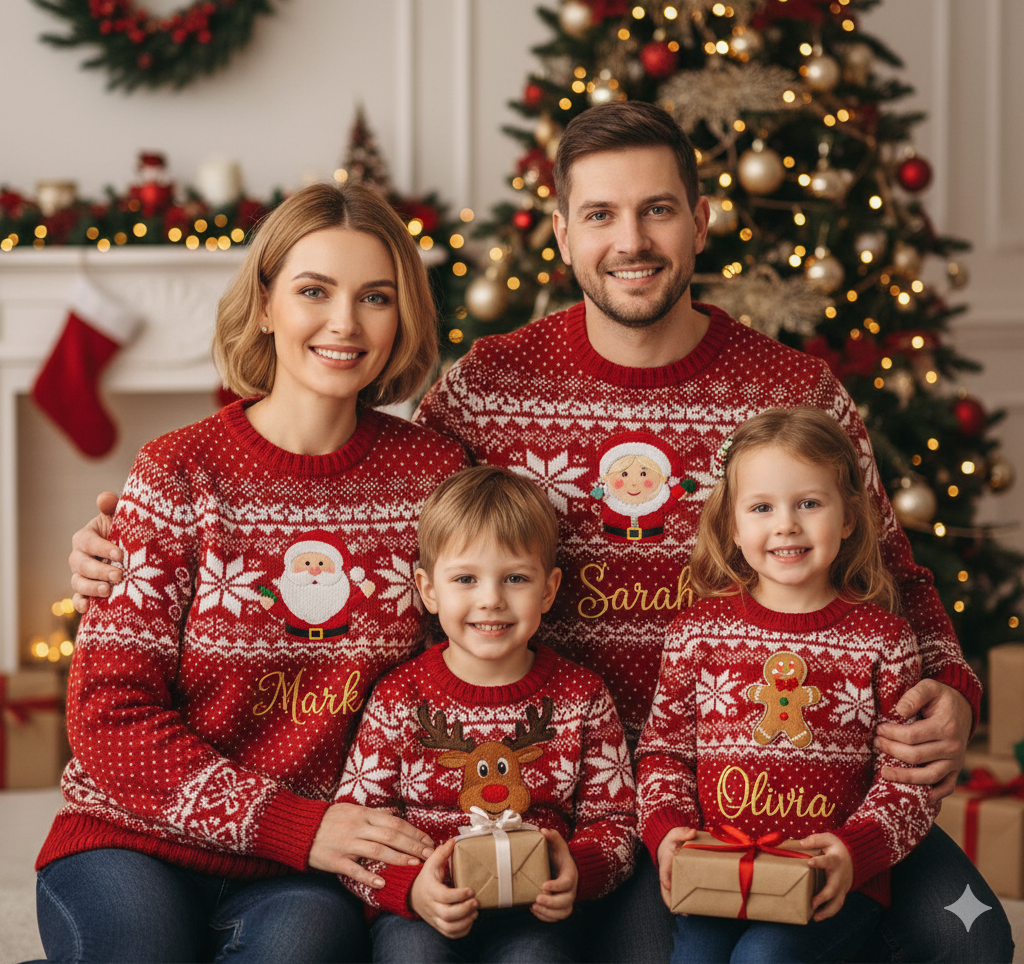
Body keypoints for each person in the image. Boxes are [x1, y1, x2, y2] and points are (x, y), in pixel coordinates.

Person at [68, 103, 1014, 962]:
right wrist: (125, 541)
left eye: (658, 211)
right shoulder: (485, 394)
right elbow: (364, 498)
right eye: (600, 215)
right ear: (562, 233)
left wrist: (956, 692)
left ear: (701, 221)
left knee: (970, 943)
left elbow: (894, 574)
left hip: (792, 778)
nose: (631, 241)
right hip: (573, 789)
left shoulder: (794, 395)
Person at [37, 182, 470, 963]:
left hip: (304, 867)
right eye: (314, 291)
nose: (345, 323)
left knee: (301, 947)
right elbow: (107, 718)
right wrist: (297, 824)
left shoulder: (435, 476)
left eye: (375, 296)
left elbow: (461, 671)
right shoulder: (177, 472)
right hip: (131, 835)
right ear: (267, 303)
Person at [636, 407, 936, 963]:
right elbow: (663, 754)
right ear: (732, 524)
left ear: (848, 517)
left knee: (764, 958)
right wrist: (668, 830)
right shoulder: (698, 632)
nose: (786, 525)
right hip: (716, 871)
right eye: (761, 508)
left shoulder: (883, 641)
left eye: (809, 503)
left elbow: (911, 784)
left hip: (830, 885)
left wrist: (855, 853)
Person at [333, 465, 636, 963]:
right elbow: (361, 824)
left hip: (534, 915)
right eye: (466, 579)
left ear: (549, 588)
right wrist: (409, 889)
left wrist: (577, 869)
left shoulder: (583, 696)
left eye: (515, 577)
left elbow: (618, 818)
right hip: (423, 911)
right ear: (429, 590)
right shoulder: (397, 698)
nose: (491, 599)